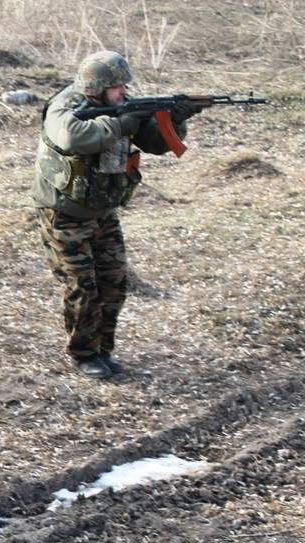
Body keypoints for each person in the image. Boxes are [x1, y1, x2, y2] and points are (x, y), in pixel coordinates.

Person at [32, 50, 201, 378]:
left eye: (125, 85)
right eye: (118, 86)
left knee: (114, 282)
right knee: (82, 286)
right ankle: (83, 354)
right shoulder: (65, 106)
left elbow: (155, 143)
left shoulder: (119, 104)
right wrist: (123, 122)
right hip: (63, 213)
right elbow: (72, 136)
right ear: (96, 87)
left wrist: (178, 118)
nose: (125, 90)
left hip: (102, 210)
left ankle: (103, 350)